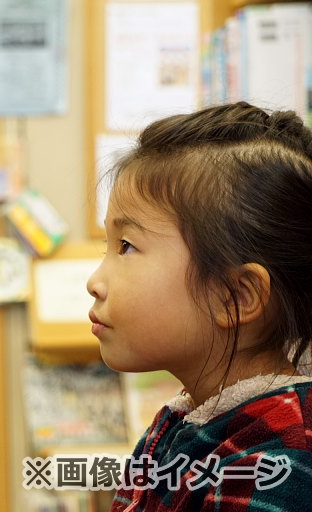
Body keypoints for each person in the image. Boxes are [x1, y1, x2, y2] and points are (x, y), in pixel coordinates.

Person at [86, 101, 312, 511]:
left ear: (235, 296)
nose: (95, 282)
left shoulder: (284, 463)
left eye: (126, 247)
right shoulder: (180, 422)